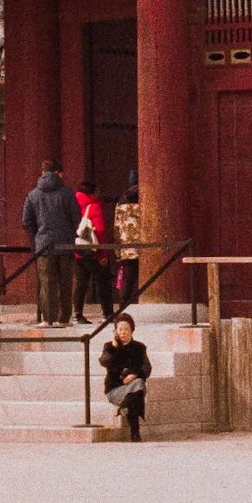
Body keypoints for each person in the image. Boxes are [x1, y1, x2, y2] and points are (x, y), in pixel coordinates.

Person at [22, 160, 80, 325]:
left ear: (42, 172)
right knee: (65, 282)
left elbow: (26, 221)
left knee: (47, 283)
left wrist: (38, 236)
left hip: (44, 246)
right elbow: (76, 217)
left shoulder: (33, 195)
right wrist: (69, 233)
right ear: (58, 173)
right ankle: (64, 318)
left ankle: (48, 319)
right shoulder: (68, 193)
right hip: (66, 245)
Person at [100, 313, 152, 440]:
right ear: (115, 331)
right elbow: (104, 361)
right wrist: (114, 348)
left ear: (132, 331)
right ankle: (135, 434)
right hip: (115, 389)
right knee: (136, 396)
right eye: (120, 329)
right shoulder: (109, 346)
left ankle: (125, 407)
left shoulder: (139, 347)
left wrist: (134, 375)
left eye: (126, 329)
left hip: (134, 386)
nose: (123, 332)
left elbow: (147, 369)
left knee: (138, 384)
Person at [74, 182, 111, 322]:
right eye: (97, 191)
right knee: (103, 281)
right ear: (92, 194)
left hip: (78, 250)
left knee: (81, 284)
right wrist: (104, 254)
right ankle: (107, 313)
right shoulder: (94, 207)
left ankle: (78, 314)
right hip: (93, 252)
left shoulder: (73, 206)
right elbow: (100, 231)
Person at [113, 176, 144, 308]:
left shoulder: (121, 201)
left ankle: (123, 306)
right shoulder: (145, 199)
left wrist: (118, 249)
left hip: (127, 246)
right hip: (145, 245)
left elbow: (117, 227)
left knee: (128, 279)